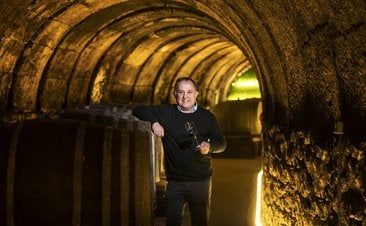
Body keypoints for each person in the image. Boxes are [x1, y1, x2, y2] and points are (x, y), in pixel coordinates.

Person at [132, 77, 226, 226]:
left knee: (200, 222)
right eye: (181, 92)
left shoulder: (207, 117)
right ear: (175, 94)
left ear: (196, 94)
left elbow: (221, 144)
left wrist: (209, 146)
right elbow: (138, 109)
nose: (185, 96)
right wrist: (154, 122)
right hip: (175, 182)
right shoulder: (166, 112)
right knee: (173, 222)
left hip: (200, 181)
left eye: (189, 92)